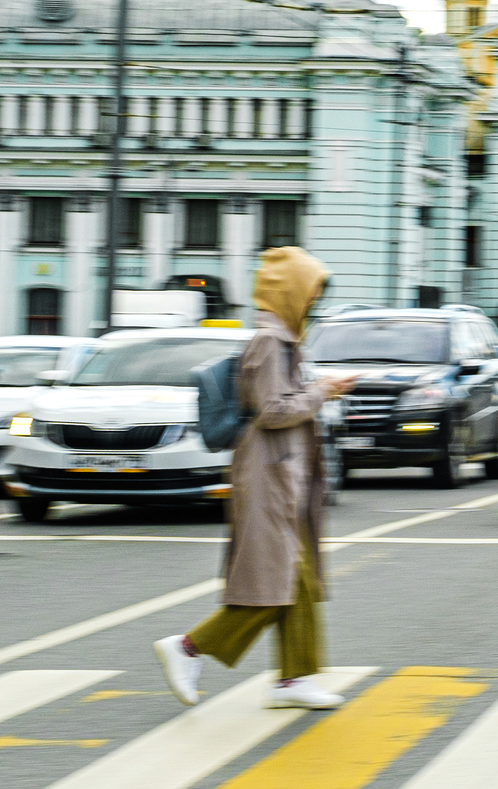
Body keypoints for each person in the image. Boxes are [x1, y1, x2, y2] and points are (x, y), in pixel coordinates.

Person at [153, 246, 358, 709]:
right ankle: (189, 647)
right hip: (267, 474)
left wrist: (318, 389)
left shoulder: (284, 344)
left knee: (299, 581)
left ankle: (295, 679)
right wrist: (321, 391)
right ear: (289, 294)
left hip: (284, 474)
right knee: (275, 580)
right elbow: (272, 411)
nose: (313, 303)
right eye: (310, 293)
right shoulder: (269, 344)